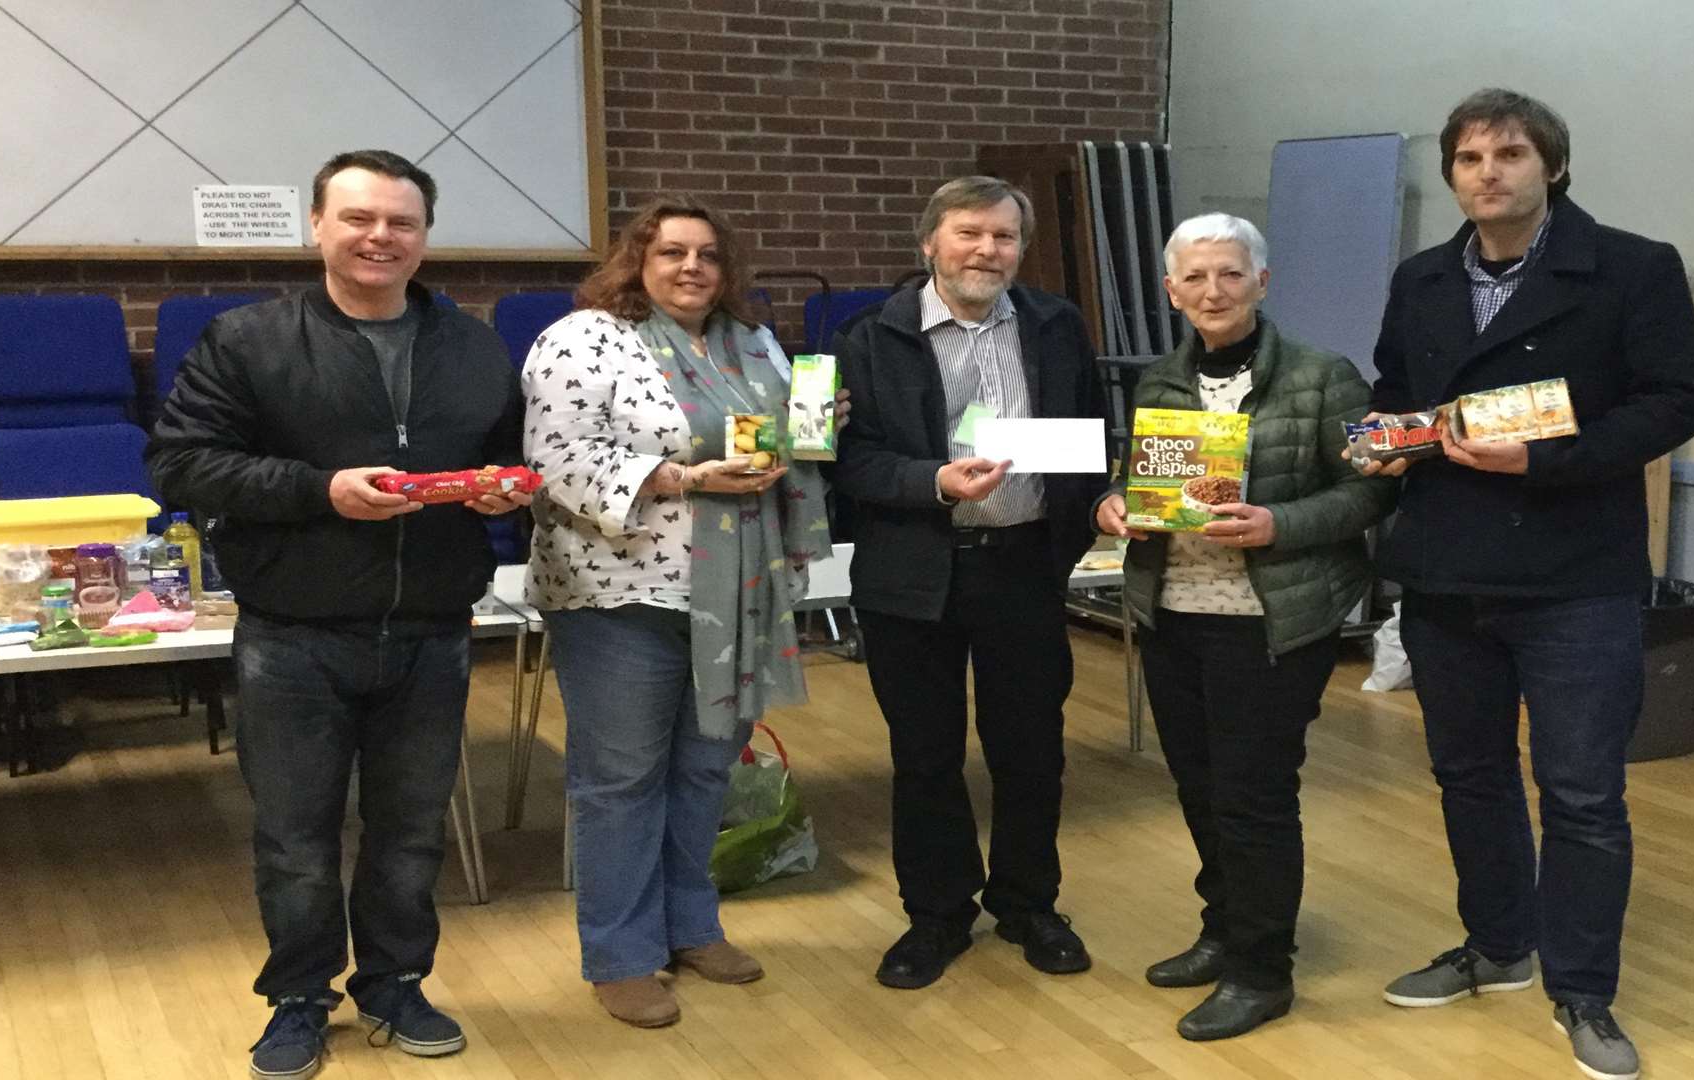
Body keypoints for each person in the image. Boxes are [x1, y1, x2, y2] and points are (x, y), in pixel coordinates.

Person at [147, 150, 529, 1080]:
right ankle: (299, 998)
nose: (379, 237)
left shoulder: (473, 346)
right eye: (358, 218)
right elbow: (182, 465)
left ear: (425, 237)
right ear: (316, 227)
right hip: (294, 635)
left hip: (433, 630)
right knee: (296, 840)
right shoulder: (246, 341)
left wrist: (503, 493)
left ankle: (395, 983)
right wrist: (322, 490)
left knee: (410, 832)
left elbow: (509, 457)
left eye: (400, 222)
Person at [1358, 89, 1694, 1080]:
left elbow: (1681, 398)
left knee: (1584, 794)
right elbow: (1398, 392)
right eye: (1469, 158)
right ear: (1453, 176)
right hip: (1446, 570)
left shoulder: (1632, 267)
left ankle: (1584, 989)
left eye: (1509, 154)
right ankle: (1498, 945)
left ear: (1552, 166)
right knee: (1468, 777)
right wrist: (1387, 443)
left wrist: (1548, 463)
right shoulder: (1422, 277)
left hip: (1574, 576)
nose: (1488, 172)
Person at [521, 196, 832, 1028]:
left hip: (738, 595)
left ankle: (691, 925)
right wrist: (683, 478)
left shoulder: (753, 344)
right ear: (636, 261)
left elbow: (787, 442)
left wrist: (818, 428)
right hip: (620, 592)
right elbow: (559, 461)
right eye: (671, 253)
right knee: (621, 780)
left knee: (702, 770)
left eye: (708, 255)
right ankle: (621, 955)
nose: (692, 267)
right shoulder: (584, 339)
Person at [1094, 213, 1393, 1040]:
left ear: (1262, 282)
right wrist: (1113, 505)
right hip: (1173, 613)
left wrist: (1279, 525)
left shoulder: (1323, 375)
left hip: (1271, 619)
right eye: (1194, 278)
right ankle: (1223, 930)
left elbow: (1373, 490)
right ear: (1170, 292)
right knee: (1198, 787)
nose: (1212, 291)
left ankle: (1263, 970)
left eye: (1230, 273)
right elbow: (1132, 479)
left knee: (1254, 796)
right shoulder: (1158, 379)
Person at [830, 176, 1107, 990]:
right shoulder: (869, 336)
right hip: (911, 571)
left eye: (1004, 236)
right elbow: (849, 461)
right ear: (930, 244)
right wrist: (936, 481)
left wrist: (1092, 511)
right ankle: (937, 915)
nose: (987, 250)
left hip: (1023, 563)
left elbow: (1085, 439)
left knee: (1031, 750)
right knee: (924, 756)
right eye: (968, 234)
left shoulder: (1057, 325)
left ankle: (1029, 904)